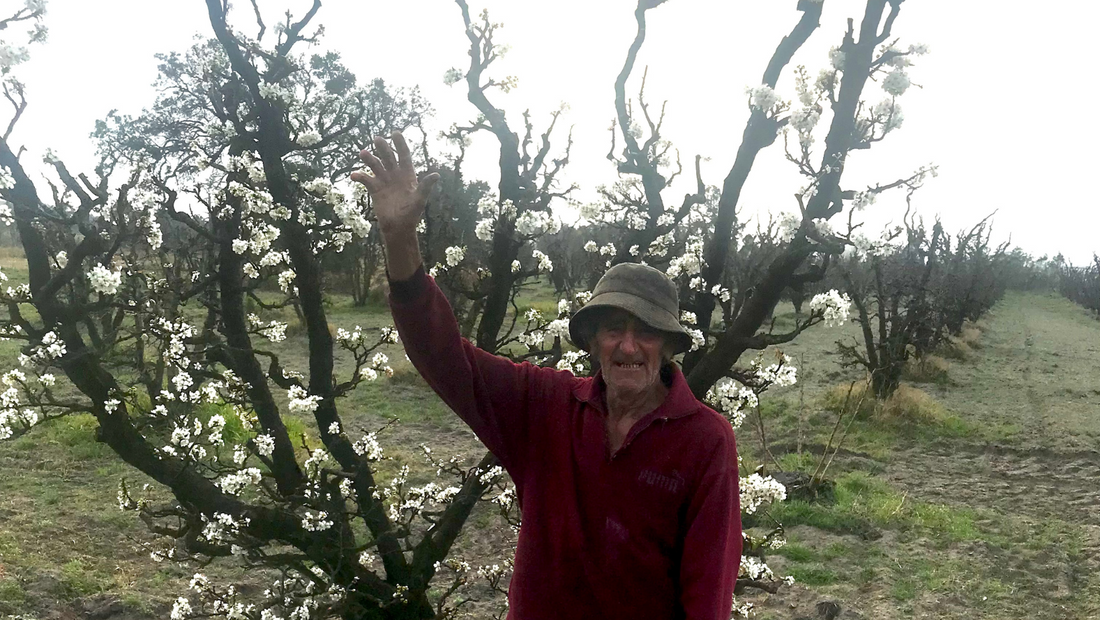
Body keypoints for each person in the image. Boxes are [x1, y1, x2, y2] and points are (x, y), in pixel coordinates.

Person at [352, 132, 742, 620]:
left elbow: (708, 592)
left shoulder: (706, 440)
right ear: (591, 339)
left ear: (667, 346)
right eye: (613, 329)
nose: (627, 345)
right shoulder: (545, 407)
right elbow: (446, 359)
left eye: (645, 332)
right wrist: (399, 239)